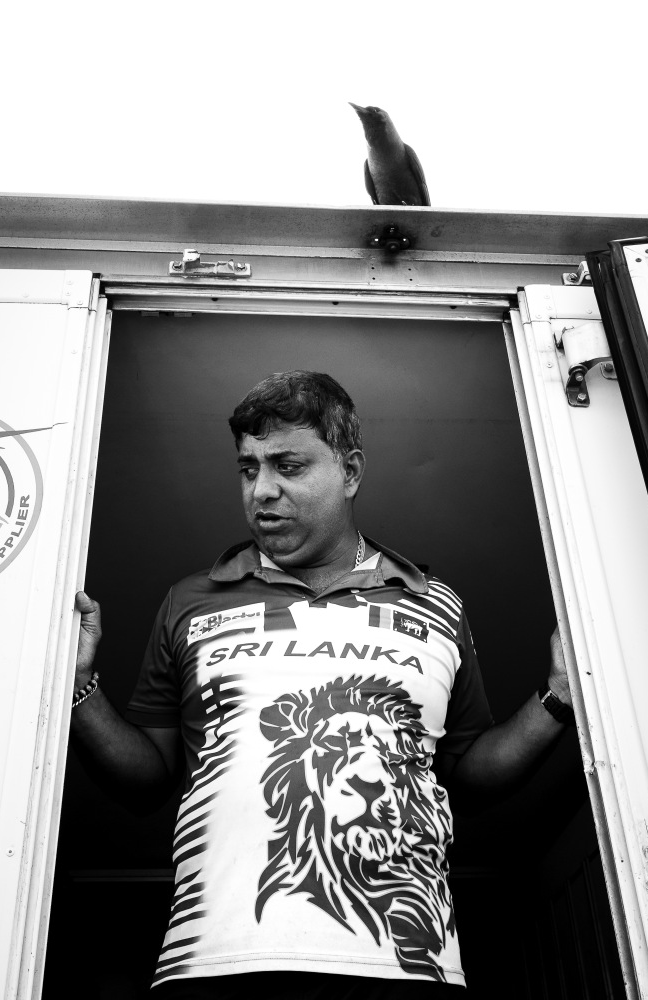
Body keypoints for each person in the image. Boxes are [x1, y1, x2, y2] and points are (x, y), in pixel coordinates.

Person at [69, 371, 574, 998]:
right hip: (218, 962)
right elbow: (146, 779)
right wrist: (78, 686)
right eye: (248, 469)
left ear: (350, 471)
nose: (262, 490)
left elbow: (467, 774)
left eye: (288, 466)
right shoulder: (190, 600)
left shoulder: (435, 604)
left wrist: (559, 695)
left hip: (408, 968)